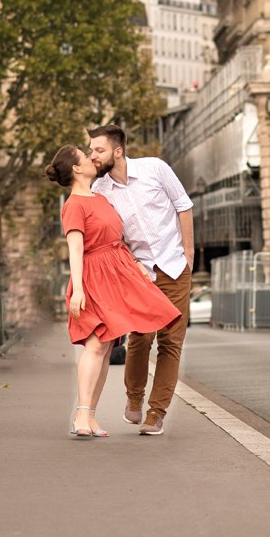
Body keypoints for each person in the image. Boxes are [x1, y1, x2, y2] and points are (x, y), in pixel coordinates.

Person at [45, 144, 180, 440]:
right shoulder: (74, 205)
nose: (93, 158)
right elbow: (75, 250)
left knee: (106, 350)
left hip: (115, 275)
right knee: (95, 346)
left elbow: (116, 239)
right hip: (93, 278)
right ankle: (81, 413)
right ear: (77, 169)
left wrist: (135, 268)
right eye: (86, 156)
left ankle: (90, 416)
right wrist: (78, 289)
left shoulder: (100, 198)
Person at [89, 124, 194, 436]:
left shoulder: (155, 169)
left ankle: (156, 413)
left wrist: (188, 253)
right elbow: (110, 236)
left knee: (171, 343)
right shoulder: (100, 191)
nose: (93, 155)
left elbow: (183, 205)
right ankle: (134, 398)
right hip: (140, 273)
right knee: (140, 339)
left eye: (99, 150)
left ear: (118, 151)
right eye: (92, 150)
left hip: (175, 268)